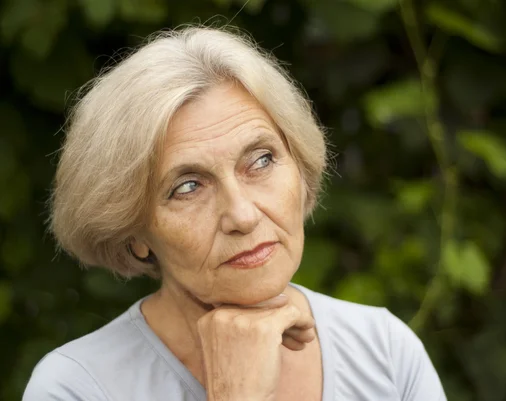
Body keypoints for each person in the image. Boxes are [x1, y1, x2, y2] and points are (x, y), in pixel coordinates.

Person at [23, 26, 446, 401]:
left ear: (299, 166)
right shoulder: (75, 388)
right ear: (133, 231)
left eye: (261, 160)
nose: (242, 216)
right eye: (187, 187)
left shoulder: (384, 350)